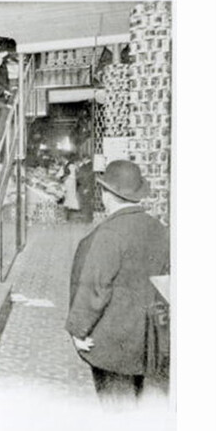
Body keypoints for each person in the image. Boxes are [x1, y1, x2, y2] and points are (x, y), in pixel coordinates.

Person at [65, 160, 170, 404]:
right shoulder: (159, 229)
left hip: (113, 344)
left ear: (106, 195)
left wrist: (77, 330)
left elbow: (95, 288)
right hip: (151, 342)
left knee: (117, 411)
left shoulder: (109, 234)